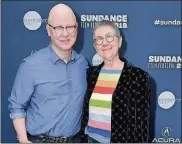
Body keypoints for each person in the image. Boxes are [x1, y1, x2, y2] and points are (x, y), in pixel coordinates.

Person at [8, 4, 88, 143]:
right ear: (48, 30)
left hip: (76, 140)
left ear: (76, 28)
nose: (65, 33)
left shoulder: (83, 64)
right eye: (58, 28)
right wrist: (23, 140)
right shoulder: (30, 65)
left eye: (70, 27)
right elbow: (17, 106)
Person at [80, 20, 152, 143]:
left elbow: (141, 125)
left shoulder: (138, 76)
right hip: (90, 139)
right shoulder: (91, 74)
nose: (104, 43)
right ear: (95, 45)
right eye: (99, 39)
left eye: (109, 37)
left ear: (119, 41)